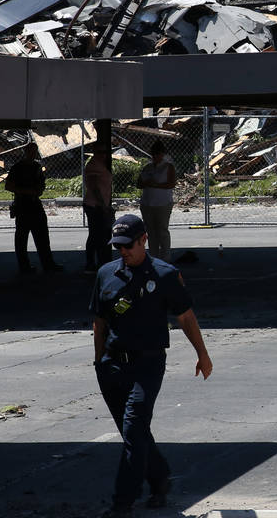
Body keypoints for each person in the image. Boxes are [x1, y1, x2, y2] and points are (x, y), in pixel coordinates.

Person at [90, 214, 212, 516]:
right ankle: (159, 480)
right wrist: (98, 362)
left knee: (133, 429)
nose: (123, 251)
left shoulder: (165, 274)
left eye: (128, 245)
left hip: (147, 364)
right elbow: (99, 321)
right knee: (135, 433)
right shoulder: (106, 273)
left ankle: (122, 503)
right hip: (112, 366)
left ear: (144, 240)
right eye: (118, 246)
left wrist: (202, 354)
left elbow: (186, 317)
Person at [4, 141, 62, 274]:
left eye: (34, 152)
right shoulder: (18, 168)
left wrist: (36, 191)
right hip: (23, 204)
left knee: (42, 236)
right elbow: (8, 186)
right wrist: (27, 191)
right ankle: (25, 266)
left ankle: (47, 263)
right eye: (31, 151)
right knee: (22, 238)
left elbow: (41, 185)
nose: (33, 154)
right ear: (26, 152)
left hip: (34, 203)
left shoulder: (36, 167)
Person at [137, 140, 176, 262]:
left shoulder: (168, 167)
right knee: (151, 231)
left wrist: (154, 184)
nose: (155, 156)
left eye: (158, 154)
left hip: (163, 203)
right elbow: (138, 184)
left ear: (163, 154)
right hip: (147, 203)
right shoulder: (147, 167)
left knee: (162, 230)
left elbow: (171, 184)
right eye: (153, 154)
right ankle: (153, 256)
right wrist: (146, 183)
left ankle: (166, 257)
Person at [83, 141, 114, 274]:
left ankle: (96, 262)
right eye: (100, 152)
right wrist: (103, 205)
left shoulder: (100, 164)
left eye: (105, 152)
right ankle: (91, 264)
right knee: (96, 236)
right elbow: (94, 187)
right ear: (94, 152)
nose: (103, 155)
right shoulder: (93, 165)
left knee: (99, 235)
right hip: (95, 205)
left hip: (100, 205)